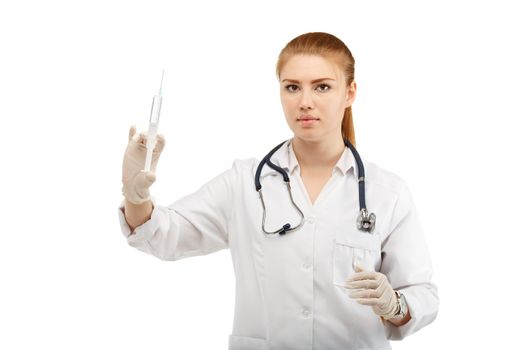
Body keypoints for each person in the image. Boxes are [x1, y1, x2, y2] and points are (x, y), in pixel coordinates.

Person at [118, 32, 439, 350]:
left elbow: (423, 295)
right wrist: (135, 197)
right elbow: (163, 235)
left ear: (350, 93)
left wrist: (394, 305)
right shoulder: (243, 183)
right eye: (292, 87)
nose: (305, 102)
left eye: (322, 86)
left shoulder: (387, 193)